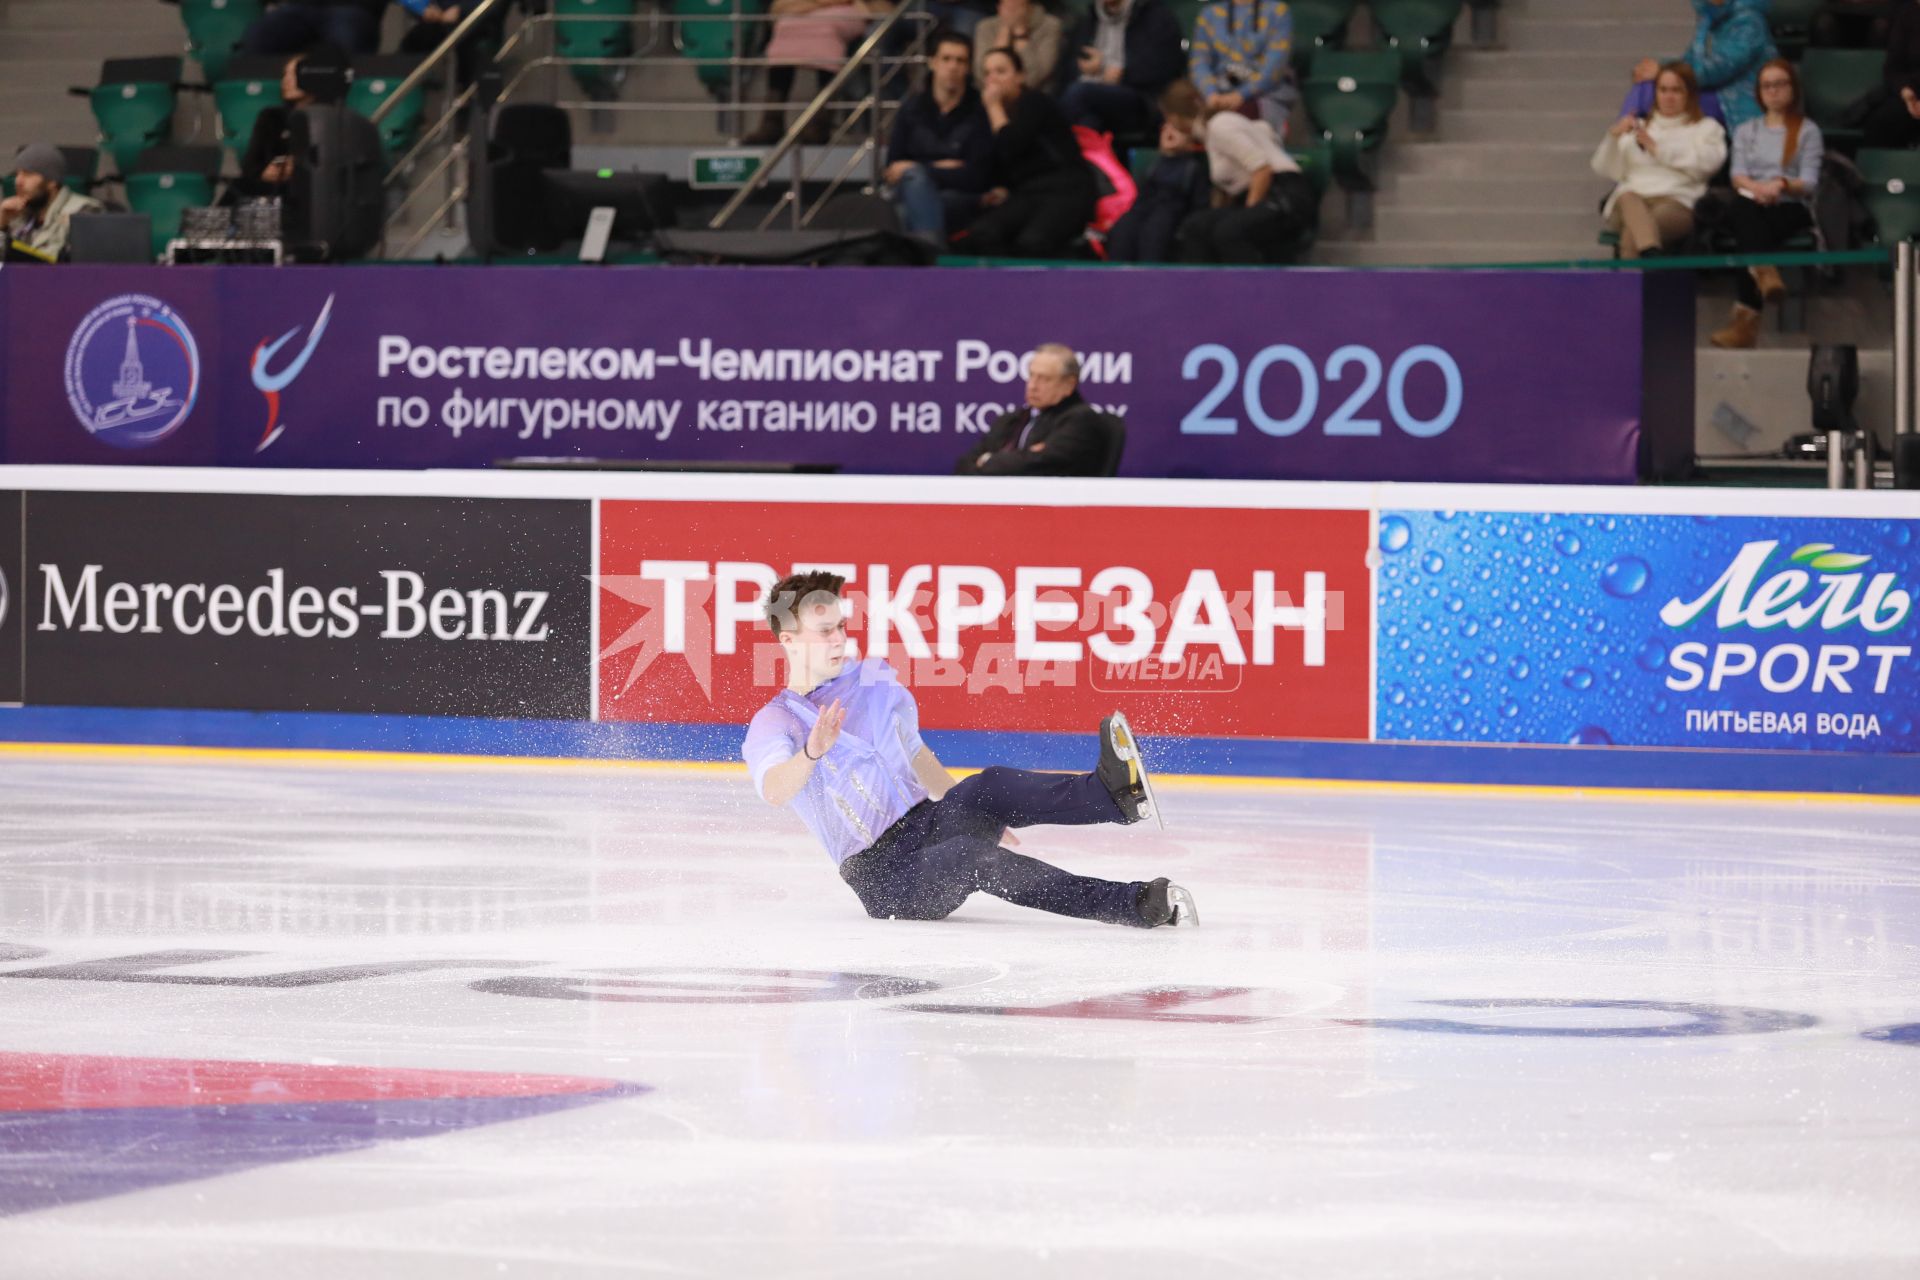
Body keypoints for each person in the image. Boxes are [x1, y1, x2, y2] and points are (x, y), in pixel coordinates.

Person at [743, 571, 1195, 929]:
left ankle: (1114, 796)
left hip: (929, 823)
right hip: (884, 877)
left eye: (841, 626)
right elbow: (775, 790)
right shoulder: (775, 721)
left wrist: (979, 812)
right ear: (789, 640)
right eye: (825, 631)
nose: (840, 639)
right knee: (968, 856)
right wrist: (812, 752)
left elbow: (915, 754)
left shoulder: (872, 683)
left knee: (990, 784)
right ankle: (1130, 905)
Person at [1713, 58, 1824, 349]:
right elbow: (1737, 175)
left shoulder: (1807, 131)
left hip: (1789, 204)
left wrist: (1782, 184)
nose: (1773, 91)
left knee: (1746, 233)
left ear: (1793, 88)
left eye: (1780, 84)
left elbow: (1809, 182)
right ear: (1759, 92)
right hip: (1751, 199)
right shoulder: (1746, 130)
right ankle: (1764, 272)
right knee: (1743, 210)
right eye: (1767, 86)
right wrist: (1758, 188)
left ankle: (1745, 324)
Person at [964, 47, 1099, 257]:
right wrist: (999, 186)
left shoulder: (1034, 102)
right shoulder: (984, 115)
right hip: (1027, 193)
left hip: (1066, 190)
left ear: (1020, 76)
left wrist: (994, 108)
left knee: (1033, 241)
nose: (993, 80)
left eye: (1001, 71)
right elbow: (987, 159)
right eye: (987, 73)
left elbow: (1012, 143)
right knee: (982, 233)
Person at [1592, 61, 1728, 260]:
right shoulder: (1637, 127)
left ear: (1689, 94)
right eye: (1663, 90)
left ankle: (1635, 276)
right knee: (1627, 197)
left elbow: (1707, 166)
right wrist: (1613, 137)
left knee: (1633, 236)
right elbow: (1605, 169)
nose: (1668, 97)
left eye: (1676, 90)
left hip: (1677, 201)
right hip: (1631, 202)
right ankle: (1650, 253)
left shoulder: (1706, 128)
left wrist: (1658, 150)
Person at [1172, 78, 1316, 263]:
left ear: (1175, 117)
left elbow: (1262, 170)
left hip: (1286, 196)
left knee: (1230, 232)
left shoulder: (1220, 125)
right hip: (1263, 198)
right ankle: (1202, 290)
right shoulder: (1214, 133)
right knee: (1195, 227)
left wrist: (1247, 215)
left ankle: (1252, 291)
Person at [885, 31, 992, 243]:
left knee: (909, 203)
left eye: (960, 60)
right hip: (916, 192)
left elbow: (978, 175)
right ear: (933, 63)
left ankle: (929, 256)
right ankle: (933, 254)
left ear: (968, 68)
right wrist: (942, 167)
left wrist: (920, 169)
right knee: (912, 192)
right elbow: (892, 169)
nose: (953, 67)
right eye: (946, 59)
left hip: (961, 195)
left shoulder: (980, 110)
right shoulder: (911, 109)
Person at [745, 0, 893, 144]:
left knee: (824, 28)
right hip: (804, 7)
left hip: (854, 6)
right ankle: (772, 123)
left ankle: (820, 124)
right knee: (786, 25)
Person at [954, 343, 1116, 474]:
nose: (1032, 386)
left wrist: (988, 460)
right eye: (1031, 375)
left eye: (1044, 379)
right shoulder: (1012, 419)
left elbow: (1037, 465)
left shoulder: (1081, 421)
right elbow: (964, 465)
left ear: (1069, 384)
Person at [1624, 0, 1775, 134]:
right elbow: (1690, 61)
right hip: (1712, 92)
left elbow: (1715, 70)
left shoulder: (1749, 22)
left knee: (1648, 94)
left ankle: (1619, 142)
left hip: (1735, 104)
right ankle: (1626, 142)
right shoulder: (1710, 19)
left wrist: (1662, 72)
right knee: (1646, 87)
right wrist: (1658, 70)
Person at [1106, 87, 1212, 262]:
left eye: (1175, 127)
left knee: (1155, 230)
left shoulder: (1194, 165)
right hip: (1145, 208)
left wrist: (1183, 150)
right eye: (1166, 126)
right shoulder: (1157, 163)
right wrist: (1167, 154)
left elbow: (1199, 205)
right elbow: (1141, 198)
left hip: (1170, 212)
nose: (1168, 131)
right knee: (1122, 230)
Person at [1053, 0, 1186, 138]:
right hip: (1089, 99)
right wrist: (1082, 68)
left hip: (1138, 99)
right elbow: (1067, 69)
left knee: (1078, 94)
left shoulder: (1155, 17)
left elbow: (1164, 68)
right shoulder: (1088, 21)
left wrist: (1119, 73)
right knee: (1087, 120)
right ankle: (1095, 157)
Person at [1188, 0, 1295, 138]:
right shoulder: (1209, 14)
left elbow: (1273, 68)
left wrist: (1240, 95)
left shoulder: (1278, 11)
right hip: (1216, 93)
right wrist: (1211, 94)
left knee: (1230, 121)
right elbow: (1199, 62)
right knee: (1178, 104)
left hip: (1260, 94)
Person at [0, 144, 103, 262]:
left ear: (52, 182)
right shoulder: (17, 215)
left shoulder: (84, 211)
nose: (18, 181)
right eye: (17, 174)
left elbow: (70, 265)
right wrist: (2, 225)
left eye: (27, 174)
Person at [1861, 0, 1920, 151]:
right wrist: (1906, 93)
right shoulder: (1908, 12)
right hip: (1912, 92)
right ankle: (1878, 173)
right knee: (1882, 120)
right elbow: (1892, 69)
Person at [972, 0, 1063, 89]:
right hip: (991, 91)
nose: (1011, 7)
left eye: (1016, 6)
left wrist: (1020, 33)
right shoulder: (986, 27)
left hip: (1033, 95)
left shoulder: (1050, 26)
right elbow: (981, 76)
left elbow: (1034, 78)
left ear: (1029, 5)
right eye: (1007, 5)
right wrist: (1005, 30)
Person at [244, 0, 387, 55]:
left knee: (348, 34)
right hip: (304, 6)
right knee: (262, 34)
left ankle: (346, 112)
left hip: (353, 7)